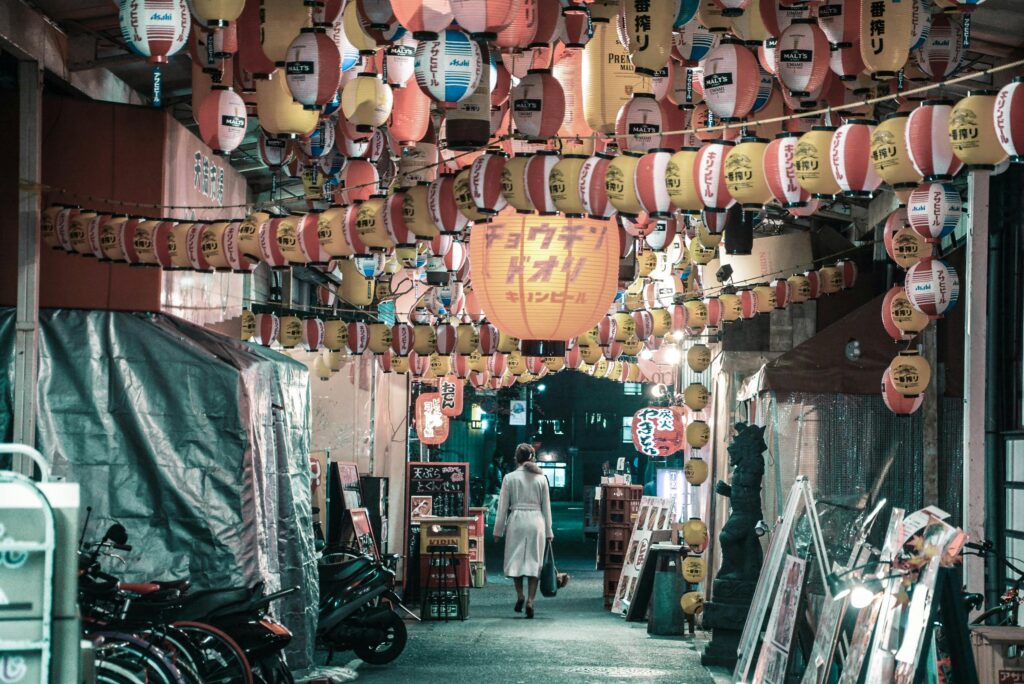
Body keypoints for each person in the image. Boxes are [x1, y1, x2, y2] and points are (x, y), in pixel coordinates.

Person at [493, 443, 553, 619]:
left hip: (517, 520)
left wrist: (498, 531)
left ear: (516, 458)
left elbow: (502, 507)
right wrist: (549, 531)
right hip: (536, 521)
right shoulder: (541, 479)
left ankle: (520, 595)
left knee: (516, 560)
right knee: (535, 562)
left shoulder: (509, 478)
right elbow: (546, 507)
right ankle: (531, 601)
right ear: (532, 457)